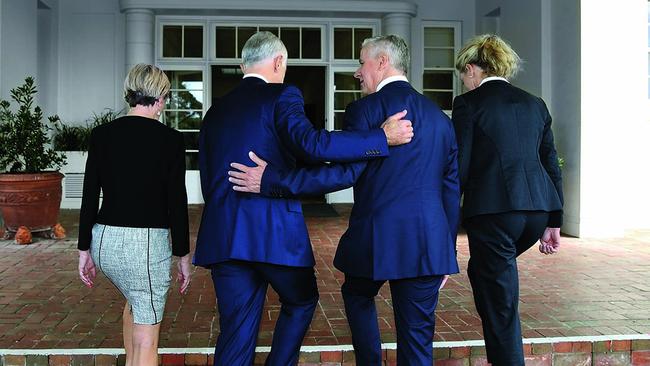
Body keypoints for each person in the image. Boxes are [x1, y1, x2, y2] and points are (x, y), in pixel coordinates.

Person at [229, 34, 460, 365]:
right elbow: (450, 187)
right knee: (418, 338)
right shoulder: (440, 118)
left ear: (382, 62)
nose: (357, 72)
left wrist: (272, 180)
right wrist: (446, 249)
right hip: (428, 243)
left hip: (375, 238)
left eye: (362, 62)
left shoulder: (363, 110)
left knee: (357, 294)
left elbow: (342, 174)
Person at [194, 31, 414, 366]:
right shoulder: (283, 95)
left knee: (235, 330)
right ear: (279, 61)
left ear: (243, 65)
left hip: (224, 236)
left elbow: (208, 177)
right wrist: (379, 138)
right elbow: (312, 144)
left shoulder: (215, 111)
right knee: (301, 300)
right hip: (274, 235)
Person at [452, 34, 563, 366]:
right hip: (536, 214)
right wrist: (554, 221)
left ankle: (507, 359)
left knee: (500, 303)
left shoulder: (468, 104)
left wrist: (445, 228)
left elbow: (459, 168)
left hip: (495, 212)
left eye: (463, 76)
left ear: (472, 69)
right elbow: (550, 162)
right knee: (486, 275)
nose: (464, 83)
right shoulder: (534, 103)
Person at [77, 64, 192, 366]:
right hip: (144, 247)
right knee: (147, 339)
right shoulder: (170, 139)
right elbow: (176, 202)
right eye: (165, 97)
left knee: (135, 302)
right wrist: (183, 255)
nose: (165, 104)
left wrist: (84, 250)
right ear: (159, 97)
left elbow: (89, 195)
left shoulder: (102, 135)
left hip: (105, 243)